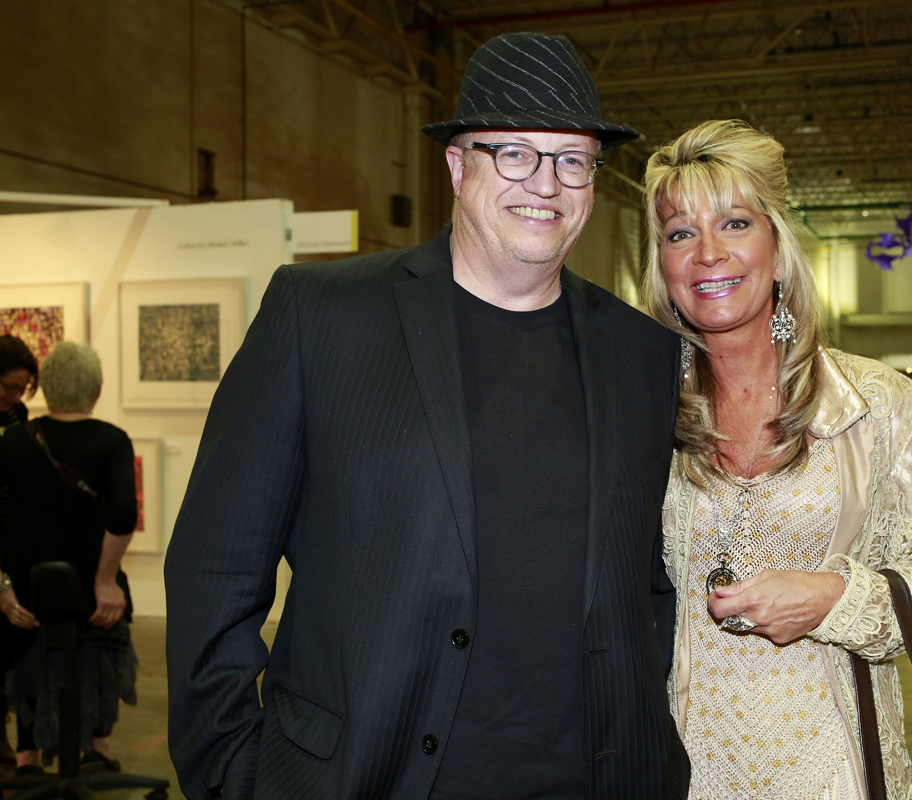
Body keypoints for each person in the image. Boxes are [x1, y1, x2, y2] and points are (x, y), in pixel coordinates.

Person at [165, 32, 689, 800]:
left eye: (572, 160)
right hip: (365, 777)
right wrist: (231, 772)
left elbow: (648, 583)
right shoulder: (321, 318)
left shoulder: (643, 354)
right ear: (456, 165)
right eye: (514, 153)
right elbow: (217, 566)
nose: (545, 183)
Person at [643, 120, 912, 800]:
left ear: (777, 246)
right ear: (662, 263)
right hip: (686, 769)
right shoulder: (638, 410)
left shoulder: (879, 403)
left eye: (735, 223)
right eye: (679, 233)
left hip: (837, 767)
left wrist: (833, 599)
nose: (707, 253)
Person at [0, 341, 137, 771]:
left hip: (26, 586)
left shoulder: (15, 439)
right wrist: (105, 580)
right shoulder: (112, 440)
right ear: (97, 389)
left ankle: (28, 756)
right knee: (103, 648)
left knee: (27, 658)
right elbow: (124, 512)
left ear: (46, 387)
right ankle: (97, 748)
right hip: (90, 583)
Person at [0, 334, 39, 772]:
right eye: (9, 387)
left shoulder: (18, 416)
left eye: (23, 389)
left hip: (7, 542)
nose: (16, 396)